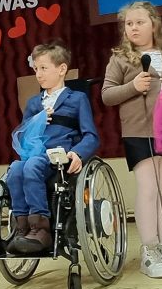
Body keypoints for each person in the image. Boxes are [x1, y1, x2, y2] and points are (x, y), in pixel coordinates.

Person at [102, 1, 162, 278]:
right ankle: (149, 251)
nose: (134, 28)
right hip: (138, 131)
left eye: (139, 22)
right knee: (148, 189)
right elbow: (107, 95)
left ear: (154, 24)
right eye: (129, 23)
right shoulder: (120, 59)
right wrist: (133, 86)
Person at [6, 42, 100, 254]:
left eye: (43, 68)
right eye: (36, 69)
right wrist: (37, 120)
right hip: (33, 156)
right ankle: (21, 227)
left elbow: (91, 136)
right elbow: (22, 134)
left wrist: (78, 153)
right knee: (15, 169)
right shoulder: (33, 103)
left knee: (31, 166)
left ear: (62, 69)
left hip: (59, 157)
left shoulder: (77, 99)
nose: (38, 74)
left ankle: (40, 228)